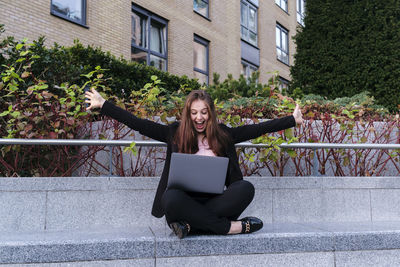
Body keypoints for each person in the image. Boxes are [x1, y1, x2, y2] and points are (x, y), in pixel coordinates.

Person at [85, 89, 303, 239]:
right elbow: (139, 124)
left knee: (246, 188)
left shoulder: (224, 135)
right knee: (170, 196)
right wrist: (104, 105)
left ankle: (191, 226)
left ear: (210, 114)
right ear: (188, 115)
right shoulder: (174, 133)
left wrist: (292, 120)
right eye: (194, 112)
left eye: (204, 112)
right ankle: (228, 228)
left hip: (216, 203)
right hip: (182, 204)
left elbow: (258, 129)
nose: (199, 117)